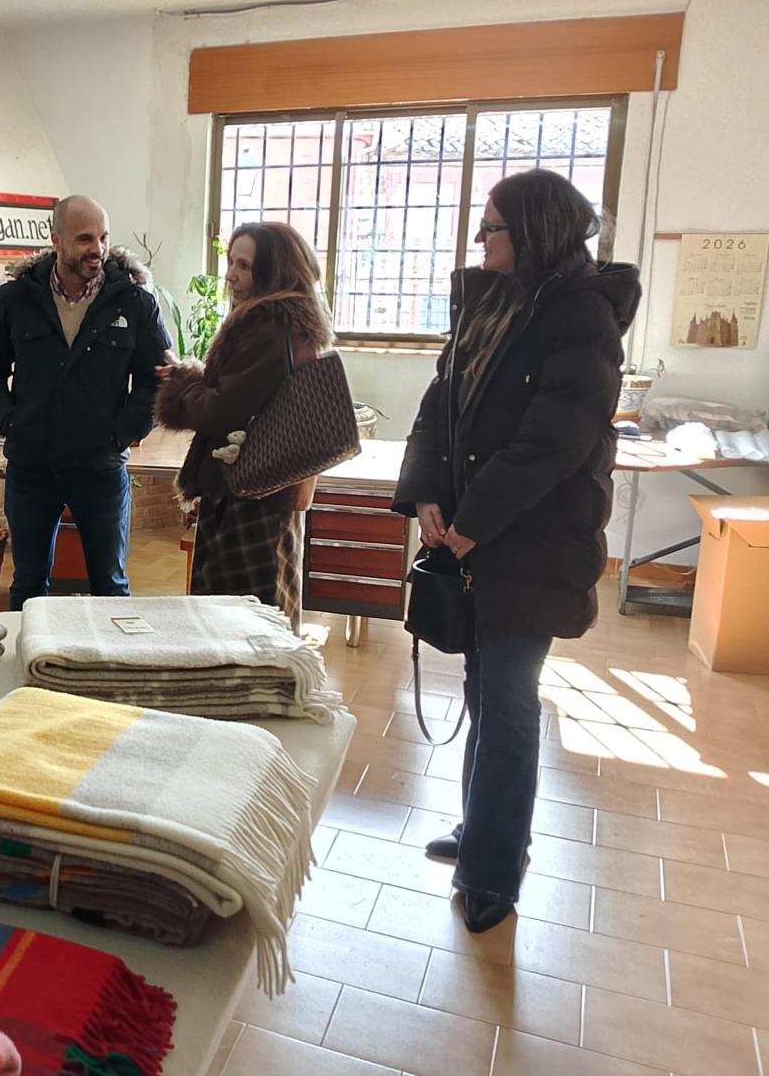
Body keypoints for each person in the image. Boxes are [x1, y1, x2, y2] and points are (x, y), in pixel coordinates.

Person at [393, 168, 640, 933]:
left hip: (532, 543)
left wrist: (472, 522)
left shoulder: (581, 315)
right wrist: (428, 491)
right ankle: (481, 831)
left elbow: (552, 442)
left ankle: (494, 871)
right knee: (481, 690)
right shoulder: (487, 302)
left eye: (492, 225)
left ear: (532, 231)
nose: (479, 237)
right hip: (477, 533)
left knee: (505, 700)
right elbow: (440, 403)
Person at [0, 195, 171, 609]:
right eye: (84, 238)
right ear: (56, 240)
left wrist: (124, 431)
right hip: (30, 467)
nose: (97, 248)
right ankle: (30, 669)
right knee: (27, 587)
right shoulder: (16, 299)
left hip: (101, 468)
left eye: (103, 237)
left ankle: (108, 670)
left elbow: (158, 380)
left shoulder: (134, 303)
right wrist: (8, 419)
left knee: (111, 587)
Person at [155, 222, 333, 622]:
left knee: (242, 623)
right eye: (231, 262)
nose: (231, 275)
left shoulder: (270, 329)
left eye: (245, 266)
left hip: (251, 501)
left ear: (273, 272)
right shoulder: (284, 326)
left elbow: (222, 411)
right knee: (250, 617)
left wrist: (185, 384)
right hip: (260, 493)